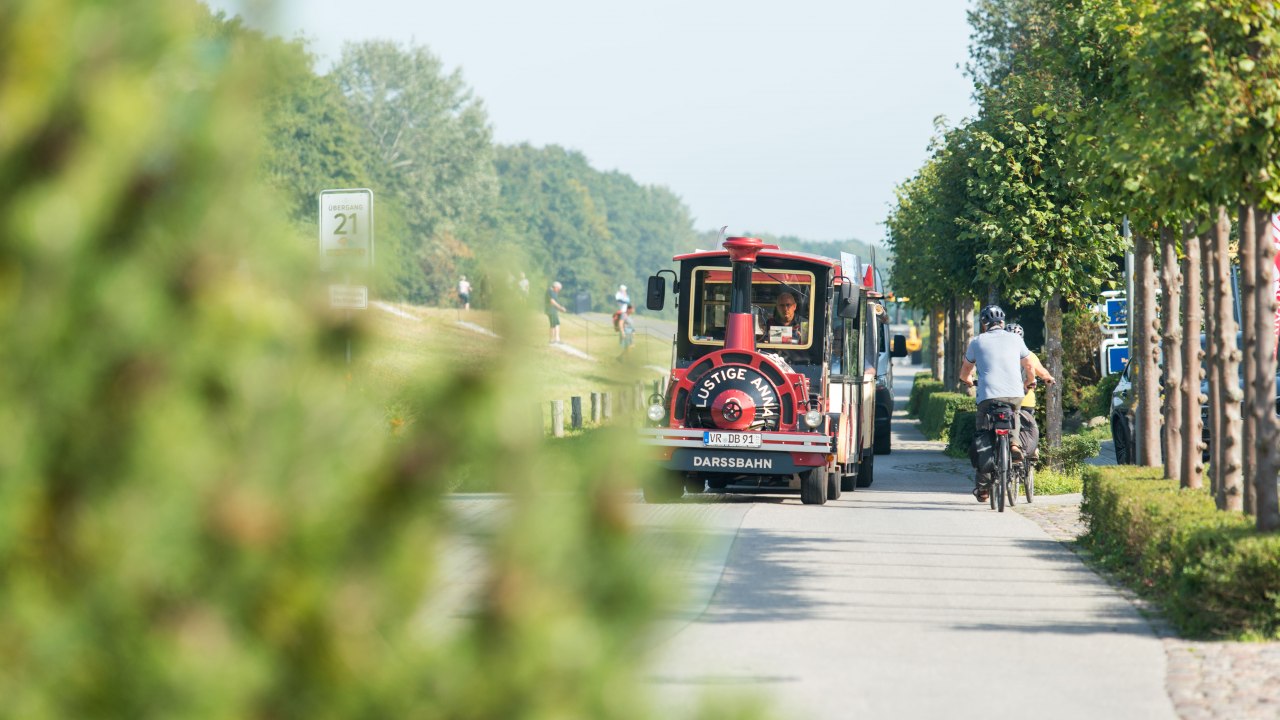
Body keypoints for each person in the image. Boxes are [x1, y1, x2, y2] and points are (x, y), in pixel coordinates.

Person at [958, 305, 1051, 502]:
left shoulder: (977, 342)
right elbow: (1028, 365)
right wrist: (1027, 382)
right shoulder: (1016, 339)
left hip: (987, 396)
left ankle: (983, 488)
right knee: (1015, 413)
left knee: (983, 434)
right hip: (1015, 394)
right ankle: (1015, 444)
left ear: (984, 324)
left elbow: (965, 370)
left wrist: (967, 380)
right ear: (1002, 322)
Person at [1005, 322, 1052, 461]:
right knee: (1029, 426)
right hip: (1026, 401)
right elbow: (1041, 371)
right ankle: (1032, 449)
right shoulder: (1029, 355)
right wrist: (1048, 377)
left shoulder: (1000, 355)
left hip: (1005, 398)